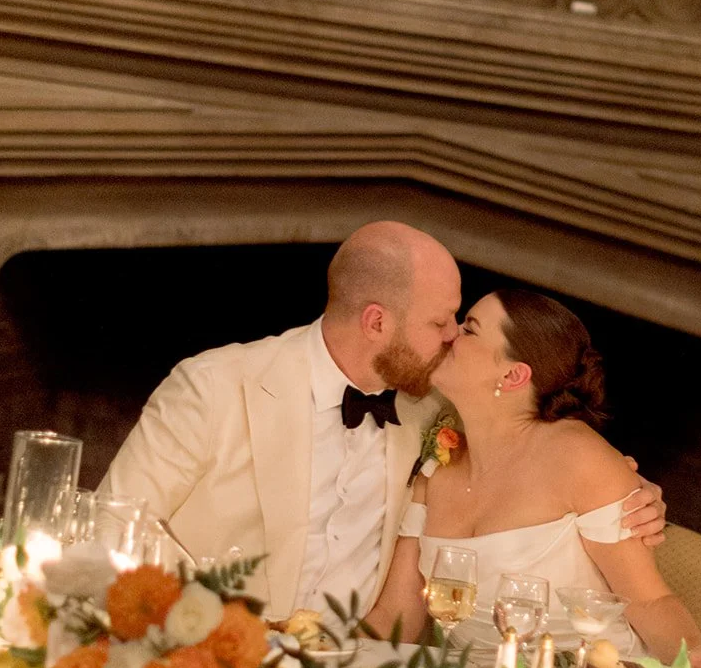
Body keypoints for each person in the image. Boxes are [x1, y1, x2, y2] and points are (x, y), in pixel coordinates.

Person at [102, 222, 667, 621]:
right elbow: (110, 527)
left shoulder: (437, 408)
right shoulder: (215, 387)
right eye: (441, 321)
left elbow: (533, 443)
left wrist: (630, 489)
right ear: (376, 323)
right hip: (214, 655)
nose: (453, 337)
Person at [365, 285, 701, 668]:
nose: (450, 333)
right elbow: (398, 615)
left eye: (469, 329)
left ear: (513, 375)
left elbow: (650, 602)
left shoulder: (580, 459)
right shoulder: (436, 467)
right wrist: (318, 658)